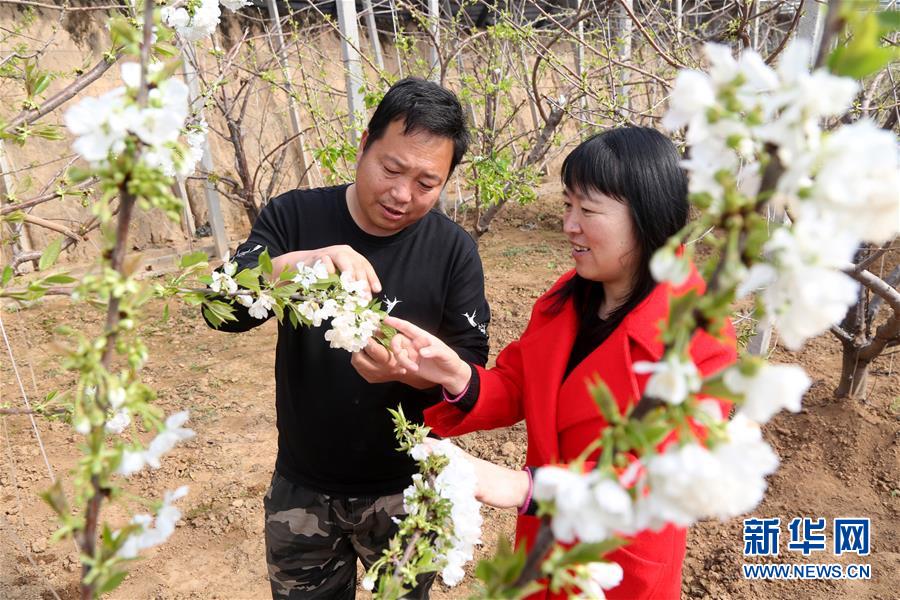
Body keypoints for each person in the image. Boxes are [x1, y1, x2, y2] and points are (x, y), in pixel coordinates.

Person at [384, 127, 737, 599]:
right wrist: (455, 374)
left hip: (617, 564)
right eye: (568, 205)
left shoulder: (696, 336)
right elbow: (519, 386)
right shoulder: (566, 300)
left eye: (588, 210)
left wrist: (526, 488)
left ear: (648, 217)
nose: (570, 224)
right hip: (545, 550)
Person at [206, 77, 490, 599]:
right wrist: (299, 264)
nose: (403, 194)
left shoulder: (453, 251)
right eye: (391, 168)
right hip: (303, 487)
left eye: (428, 183)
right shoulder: (295, 216)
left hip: (407, 491)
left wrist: (409, 368)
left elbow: (470, 369)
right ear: (363, 144)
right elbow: (220, 309)